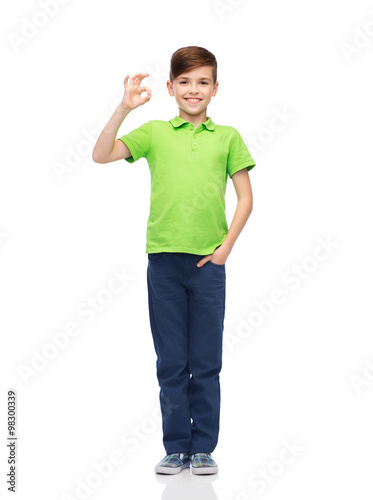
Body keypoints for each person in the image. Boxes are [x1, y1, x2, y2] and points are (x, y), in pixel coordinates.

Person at [92, 46, 256, 475]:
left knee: (205, 361)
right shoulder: (154, 133)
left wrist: (225, 249)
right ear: (170, 87)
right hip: (163, 264)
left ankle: (202, 448)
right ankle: (175, 447)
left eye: (203, 82)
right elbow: (101, 154)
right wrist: (123, 107)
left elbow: (246, 199)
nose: (193, 89)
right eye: (184, 81)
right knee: (171, 361)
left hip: (208, 266)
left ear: (215, 88)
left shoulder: (228, 137)